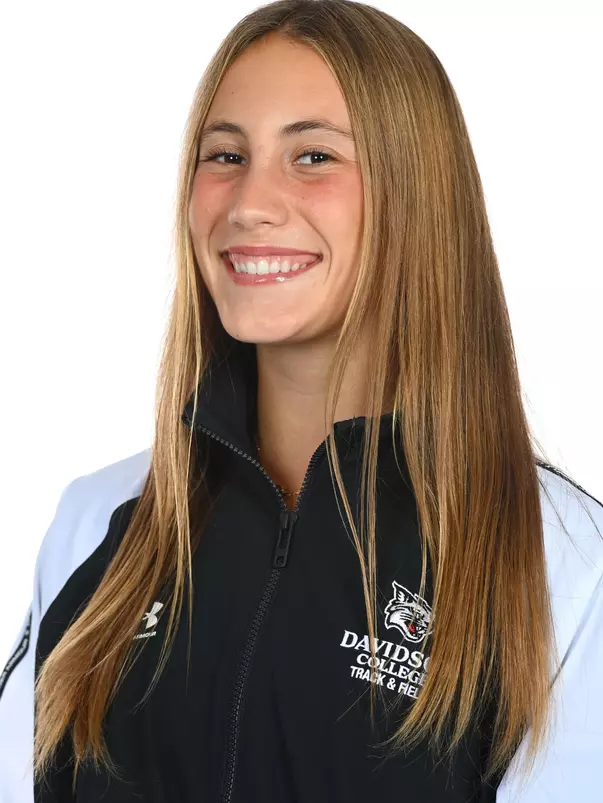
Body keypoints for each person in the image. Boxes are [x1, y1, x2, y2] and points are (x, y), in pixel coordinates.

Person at [1, 1, 602, 801]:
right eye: (224, 155)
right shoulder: (99, 522)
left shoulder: (562, 561)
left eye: (313, 156)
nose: (248, 202)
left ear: (418, 195)